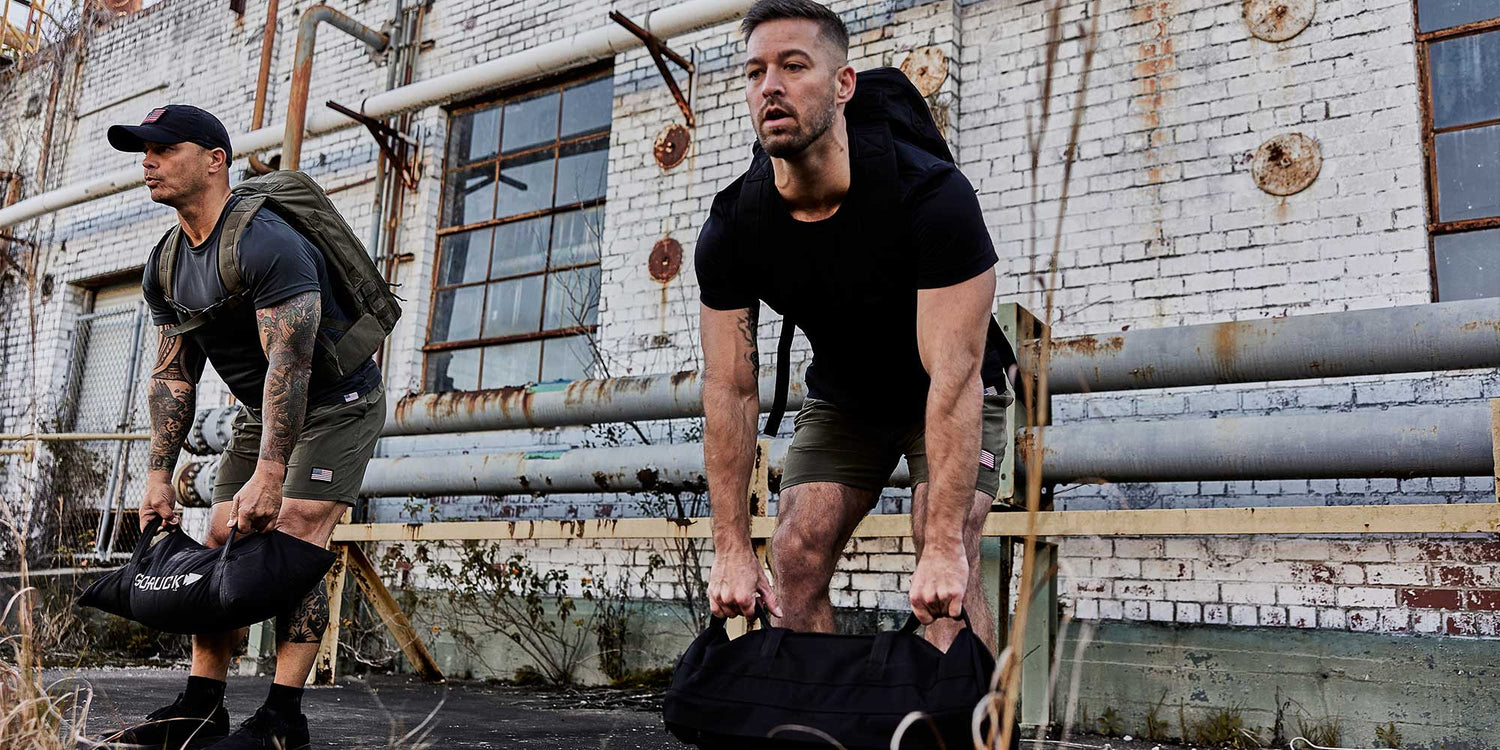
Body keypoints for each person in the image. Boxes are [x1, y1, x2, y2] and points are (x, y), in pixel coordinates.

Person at [696, 0, 1014, 652]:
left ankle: (965, 729)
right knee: (796, 553)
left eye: (793, 65)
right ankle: (823, 723)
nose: (771, 87)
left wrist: (947, 545)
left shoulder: (931, 198)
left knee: (941, 558)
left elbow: (953, 381)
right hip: (848, 397)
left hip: (953, 388)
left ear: (844, 86)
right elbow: (730, 390)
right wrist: (730, 545)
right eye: (755, 72)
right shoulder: (735, 226)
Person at [104, 104, 386, 750]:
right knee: (221, 538)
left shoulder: (266, 241)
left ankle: (284, 718)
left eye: (164, 148)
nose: (147, 161)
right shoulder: (166, 264)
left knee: (292, 533)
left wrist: (269, 474)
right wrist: (157, 476)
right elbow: (174, 376)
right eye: (142, 151)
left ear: (214, 160)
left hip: (337, 399)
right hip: (265, 408)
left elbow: (292, 362)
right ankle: (202, 706)